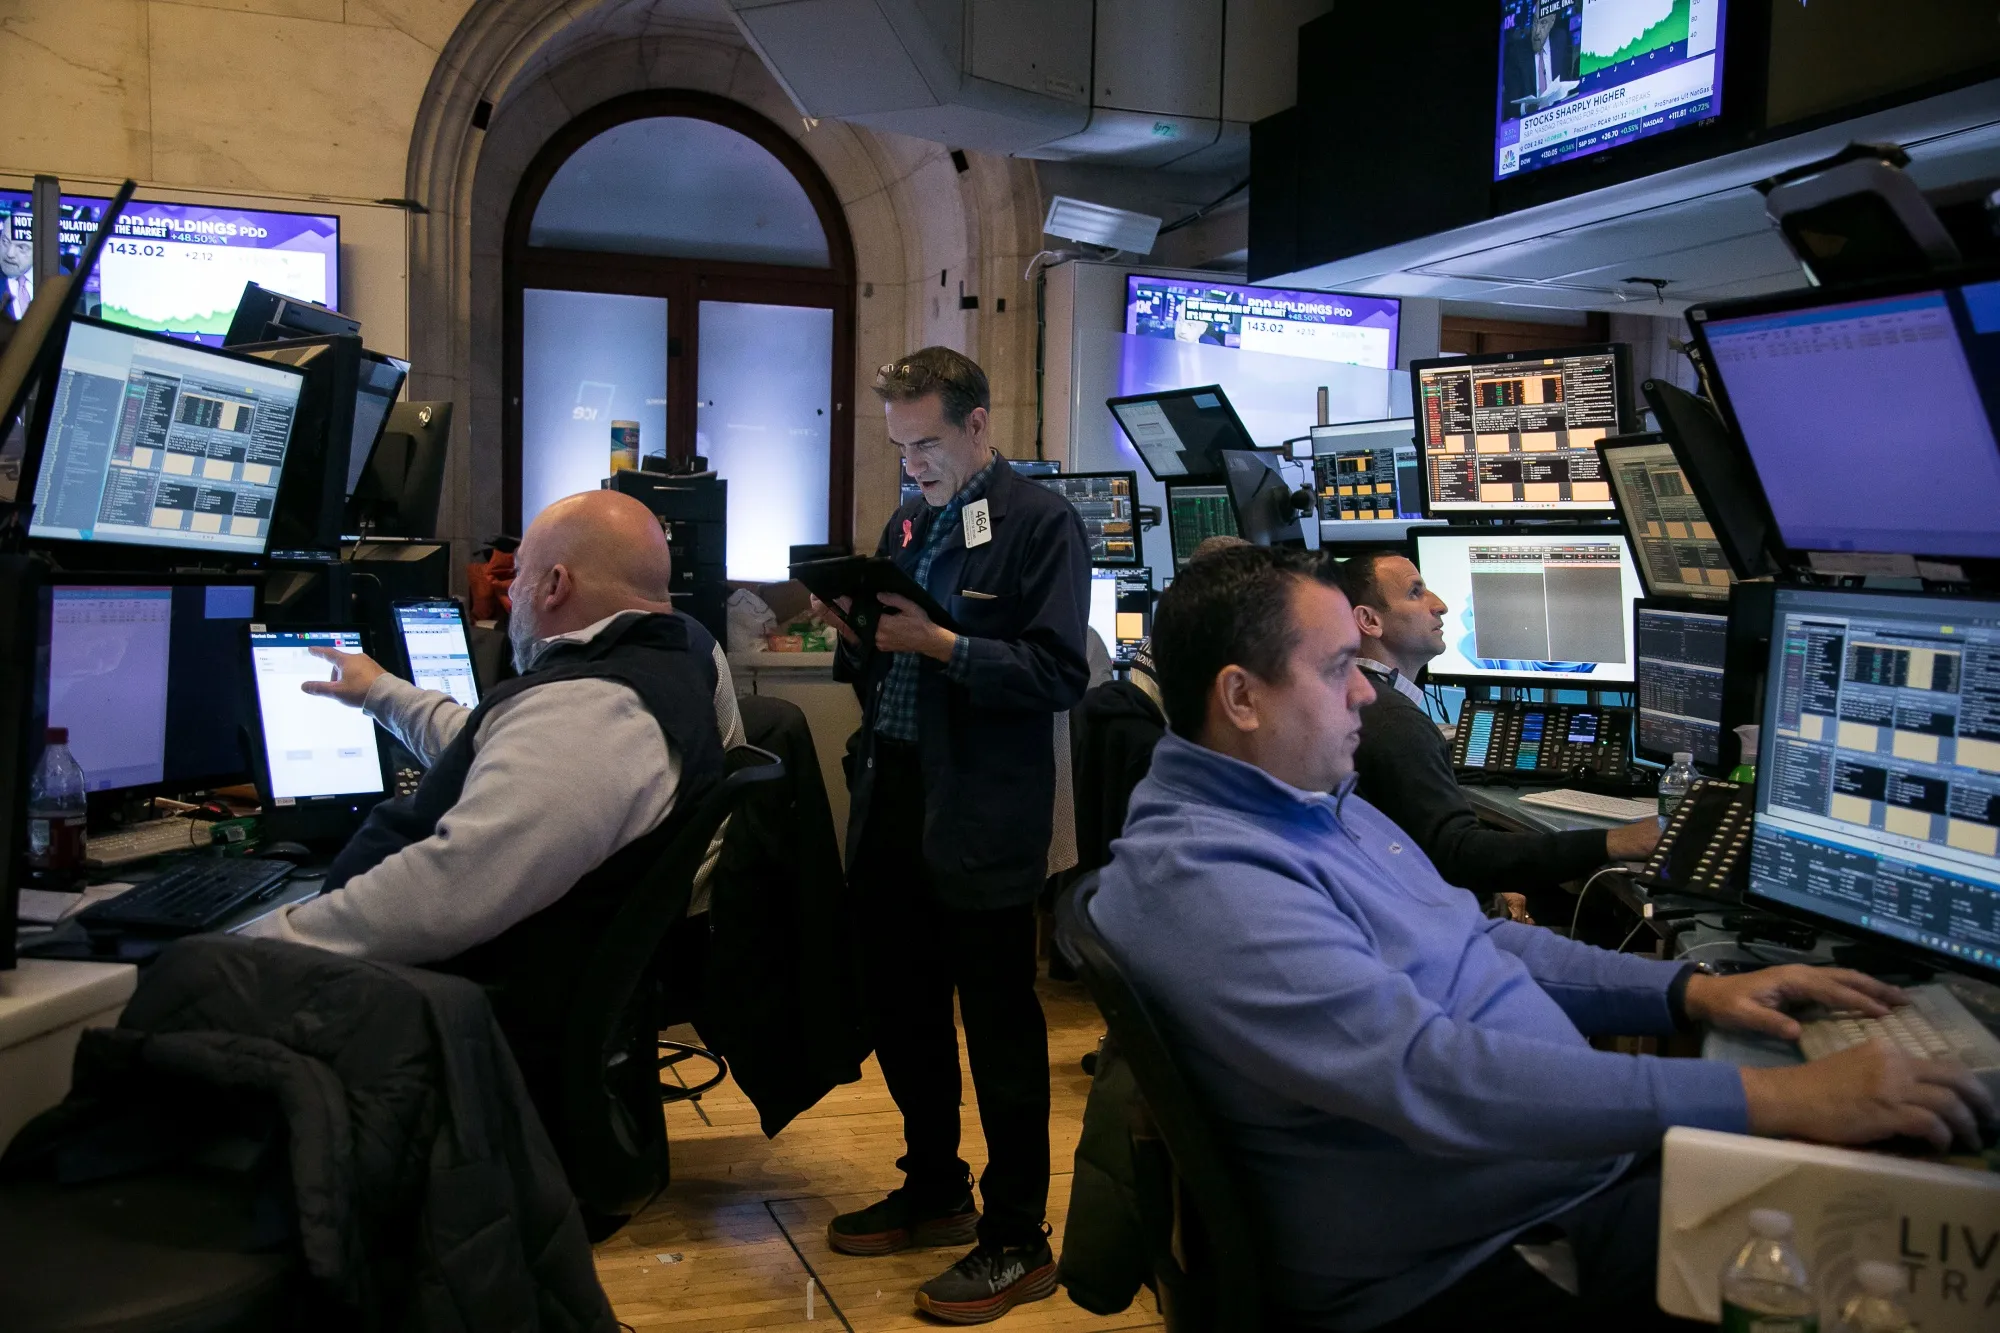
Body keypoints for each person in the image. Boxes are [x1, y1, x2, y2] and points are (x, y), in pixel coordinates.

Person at [1090, 546, 1991, 1332]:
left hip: (1542, 1189)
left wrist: (1688, 992)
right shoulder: (1208, 880)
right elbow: (1440, 1078)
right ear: (1242, 697)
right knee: (1908, 1254)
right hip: (1473, 1267)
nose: (1367, 687)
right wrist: (1770, 1097)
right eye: (1336, 668)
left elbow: (1481, 937)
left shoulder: (1304, 805)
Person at [244, 488, 744, 1104]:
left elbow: (443, 892)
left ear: (556, 584)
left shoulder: (597, 708)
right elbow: (505, 747)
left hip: (449, 1010)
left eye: (520, 578)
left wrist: (268, 941)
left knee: (185, 985)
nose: (509, 598)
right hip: (503, 990)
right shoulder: (664, 663)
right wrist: (381, 692)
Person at [812, 347, 1090, 1324]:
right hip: (894, 790)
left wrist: (942, 645)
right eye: (899, 447)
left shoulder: (1039, 523)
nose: (913, 464)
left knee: (998, 1023)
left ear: (978, 424)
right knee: (904, 1004)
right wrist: (855, 637)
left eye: (926, 443)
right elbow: (892, 668)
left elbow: (1059, 674)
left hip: (979, 808)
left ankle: (1017, 1235)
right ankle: (934, 1185)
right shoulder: (908, 518)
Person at [1336, 550, 1659, 915]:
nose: (1440, 605)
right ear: (1369, 620)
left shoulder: (1361, 700)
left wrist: (1494, 893)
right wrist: (1613, 842)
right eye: (1415, 592)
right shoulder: (1394, 720)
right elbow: (1458, 853)